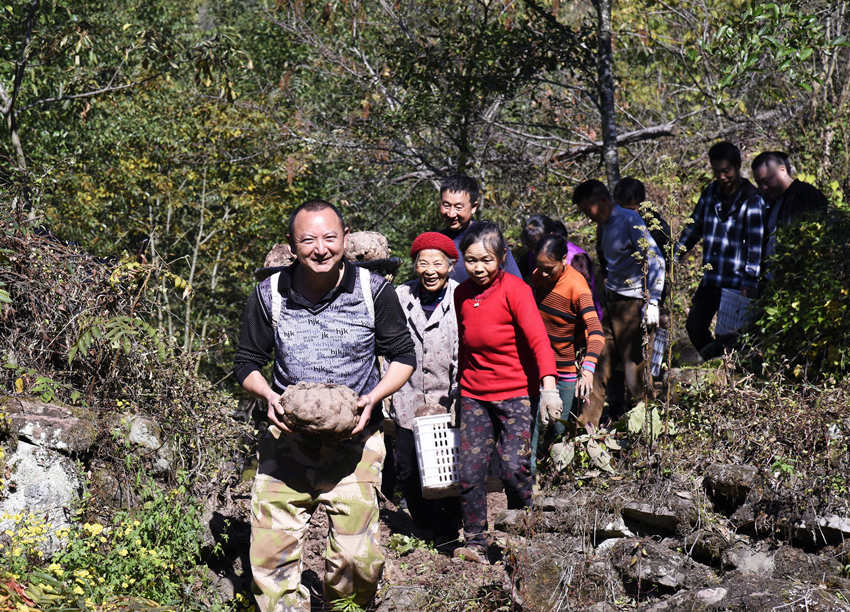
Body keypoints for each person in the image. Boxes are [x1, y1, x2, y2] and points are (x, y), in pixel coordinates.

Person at [233, 200, 416, 611]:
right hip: (287, 440)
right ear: (292, 245)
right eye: (308, 239)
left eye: (330, 238)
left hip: (356, 440)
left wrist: (372, 400)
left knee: (356, 562)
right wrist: (269, 397)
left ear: (345, 238)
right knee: (270, 559)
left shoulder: (374, 291)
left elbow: (403, 355)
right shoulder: (269, 295)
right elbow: (246, 362)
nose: (320, 248)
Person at [452, 221, 560, 564]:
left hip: (514, 393)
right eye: (471, 260)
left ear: (501, 257)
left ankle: (522, 529)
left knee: (514, 466)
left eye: (486, 260)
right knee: (470, 471)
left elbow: (539, 340)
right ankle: (475, 543)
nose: (478, 268)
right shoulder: (461, 294)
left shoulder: (516, 289)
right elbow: (465, 346)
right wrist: (457, 392)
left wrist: (548, 386)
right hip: (473, 394)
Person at [391, 231, 462, 547]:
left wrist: (460, 396)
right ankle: (421, 529)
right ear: (415, 265)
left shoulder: (460, 298)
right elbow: (385, 348)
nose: (430, 270)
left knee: (445, 470)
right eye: (423, 263)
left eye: (438, 263)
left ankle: (447, 532)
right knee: (407, 469)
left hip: (444, 399)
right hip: (405, 397)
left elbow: (466, 351)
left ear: (450, 266)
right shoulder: (399, 297)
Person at [575, 179, 664, 420]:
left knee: (635, 370)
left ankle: (645, 428)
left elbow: (655, 260)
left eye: (588, 209)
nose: (588, 216)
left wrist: (653, 301)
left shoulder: (629, 220)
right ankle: (587, 429)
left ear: (603, 201)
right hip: (611, 304)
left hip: (634, 304)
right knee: (598, 363)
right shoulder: (602, 225)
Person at [676, 142, 766, 359]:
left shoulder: (752, 199)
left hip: (737, 282)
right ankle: (716, 363)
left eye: (726, 171)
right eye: (717, 172)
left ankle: (730, 373)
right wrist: (675, 254)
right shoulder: (710, 193)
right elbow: (693, 227)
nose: (722, 176)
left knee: (730, 336)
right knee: (695, 326)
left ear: (737, 166)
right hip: (711, 276)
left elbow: (756, 243)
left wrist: (750, 280)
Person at [531, 232, 606, 452]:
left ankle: (556, 477)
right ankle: (530, 477)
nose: (543, 273)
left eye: (549, 268)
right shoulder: (538, 276)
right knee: (531, 423)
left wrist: (588, 370)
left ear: (564, 259)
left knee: (559, 427)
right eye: (540, 266)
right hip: (538, 362)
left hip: (564, 367)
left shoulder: (577, 286)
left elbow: (596, 332)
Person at [438, 174, 522, 282]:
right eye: (446, 205)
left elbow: (516, 282)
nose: (451, 213)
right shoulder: (437, 241)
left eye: (459, 207)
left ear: (473, 207)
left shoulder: (488, 237)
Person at [519, 214, 603, 321]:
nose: (534, 252)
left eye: (537, 246)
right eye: (531, 247)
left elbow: (585, 298)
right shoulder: (531, 257)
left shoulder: (575, 258)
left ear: (551, 235)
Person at [751, 151, 829, 261]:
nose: (763, 187)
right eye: (759, 183)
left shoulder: (806, 195)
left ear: (782, 170)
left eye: (766, 181)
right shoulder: (770, 201)